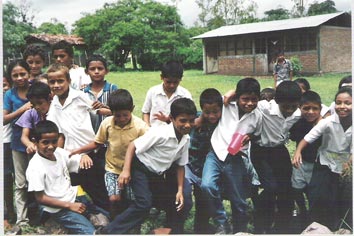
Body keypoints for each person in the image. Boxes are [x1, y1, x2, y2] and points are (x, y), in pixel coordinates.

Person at [96, 98, 197, 234]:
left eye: (191, 120)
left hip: (157, 174)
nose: (188, 125)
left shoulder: (186, 139)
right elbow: (133, 145)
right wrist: (126, 171)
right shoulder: (160, 133)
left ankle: (167, 230)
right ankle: (107, 231)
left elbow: (180, 165)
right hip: (140, 169)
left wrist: (179, 190)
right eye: (183, 120)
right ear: (172, 118)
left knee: (179, 200)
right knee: (144, 203)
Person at [70, 89, 149, 219]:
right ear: (111, 112)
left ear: (132, 109)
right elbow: (97, 143)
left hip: (132, 169)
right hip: (112, 168)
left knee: (131, 199)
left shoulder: (141, 126)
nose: (122, 119)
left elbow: (148, 146)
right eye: (118, 116)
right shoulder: (107, 123)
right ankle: (113, 220)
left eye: (125, 115)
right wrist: (78, 150)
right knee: (113, 199)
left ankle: (130, 224)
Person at [201, 78, 263, 234]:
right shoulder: (227, 105)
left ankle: (240, 229)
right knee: (207, 185)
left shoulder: (257, 116)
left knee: (238, 198)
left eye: (253, 99)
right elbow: (213, 103)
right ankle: (221, 222)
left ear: (258, 99)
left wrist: (250, 136)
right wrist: (232, 93)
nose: (249, 103)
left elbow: (257, 134)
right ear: (238, 97)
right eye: (245, 99)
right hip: (215, 154)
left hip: (235, 158)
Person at [46, 63, 110, 211]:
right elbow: (57, 133)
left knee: (97, 187)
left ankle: (109, 217)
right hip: (70, 155)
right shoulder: (54, 104)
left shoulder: (80, 97)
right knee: (77, 189)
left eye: (60, 81)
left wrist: (112, 111)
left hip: (89, 151)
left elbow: (98, 110)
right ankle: (93, 215)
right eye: (52, 82)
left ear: (68, 81)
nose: (56, 85)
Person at [25, 120, 109, 234]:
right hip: (58, 208)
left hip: (75, 198)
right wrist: (69, 206)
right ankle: (52, 223)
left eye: (54, 141)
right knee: (90, 232)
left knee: (108, 219)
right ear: (35, 142)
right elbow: (40, 198)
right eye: (45, 142)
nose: (50, 146)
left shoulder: (59, 153)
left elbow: (75, 159)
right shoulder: (35, 166)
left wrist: (83, 156)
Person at [293, 87, 352, 231]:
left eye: (347, 103)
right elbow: (308, 138)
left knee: (343, 198)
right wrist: (298, 151)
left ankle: (341, 228)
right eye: (338, 103)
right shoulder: (328, 121)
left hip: (345, 166)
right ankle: (315, 228)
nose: (342, 107)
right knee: (319, 198)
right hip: (324, 162)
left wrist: (349, 164)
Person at [251, 81, 302, 234]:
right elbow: (243, 99)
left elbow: (322, 109)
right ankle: (261, 225)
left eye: (293, 106)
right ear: (277, 101)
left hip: (279, 151)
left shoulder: (297, 113)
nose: (289, 110)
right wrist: (230, 94)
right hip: (260, 151)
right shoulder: (265, 107)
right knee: (271, 187)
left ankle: (282, 227)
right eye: (286, 107)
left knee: (287, 188)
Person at [185, 88, 222, 234]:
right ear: (202, 110)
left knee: (204, 197)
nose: (212, 116)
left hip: (210, 166)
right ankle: (198, 228)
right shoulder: (195, 120)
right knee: (197, 196)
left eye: (215, 112)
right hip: (191, 164)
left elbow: (231, 97)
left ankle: (202, 226)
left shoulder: (225, 120)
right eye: (207, 112)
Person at [289, 91, 324, 231]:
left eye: (315, 109)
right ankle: (302, 210)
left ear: (320, 109)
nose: (310, 112)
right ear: (300, 108)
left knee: (313, 191)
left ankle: (313, 215)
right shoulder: (297, 124)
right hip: (301, 162)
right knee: (296, 188)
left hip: (317, 164)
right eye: (306, 108)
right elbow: (292, 137)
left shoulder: (324, 125)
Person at [3, 60, 33, 226]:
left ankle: (40, 213)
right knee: (20, 182)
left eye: (23, 74)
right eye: (15, 75)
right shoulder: (10, 95)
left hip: (39, 143)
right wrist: (21, 109)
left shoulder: (36, 89)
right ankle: (22, 219)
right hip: (17, 144)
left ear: (28, 73)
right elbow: (4, 119)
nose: (20, 77)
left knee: (38, 179)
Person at [142, 60, 192, 126]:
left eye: (175, 82)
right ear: (161, 77)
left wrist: (168, 120)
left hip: (176, 133)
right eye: (168, 82)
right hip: (154, 132)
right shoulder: (153, 92)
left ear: (181, 79)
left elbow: (189, 119)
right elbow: (146, 112)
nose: (172, 85)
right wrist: (147, 127)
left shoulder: (185, 95)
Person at [16, 81, 52, 156]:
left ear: (49, 98)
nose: (37, 107)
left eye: (40, 103)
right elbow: (24, 136)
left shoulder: (56, 112)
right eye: (33, 104)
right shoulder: (30, 113)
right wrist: (30, 144)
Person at [83, 54, 117, 133]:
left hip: (110, 134)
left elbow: (121, 111)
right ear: (86, 72)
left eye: (100, 68)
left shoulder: (113, 89)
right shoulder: (82, 92)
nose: (96, 72)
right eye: (92, 69)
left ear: (106, 71)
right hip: (89, 135)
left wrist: (106, 109)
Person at [3, 76, 16, 228]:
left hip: (10, 143)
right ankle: (6, 214)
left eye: (5, 85)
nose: (3, 88)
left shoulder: (10, 98)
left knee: (11, 179)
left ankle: (10, 212)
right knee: (5, 180)